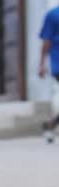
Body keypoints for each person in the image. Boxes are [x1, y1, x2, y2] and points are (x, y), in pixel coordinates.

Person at [39, 6, 59, 143]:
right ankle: (50, 125)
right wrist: (42, 64)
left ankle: (50, 125)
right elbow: (46, 41)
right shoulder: (53, 15)